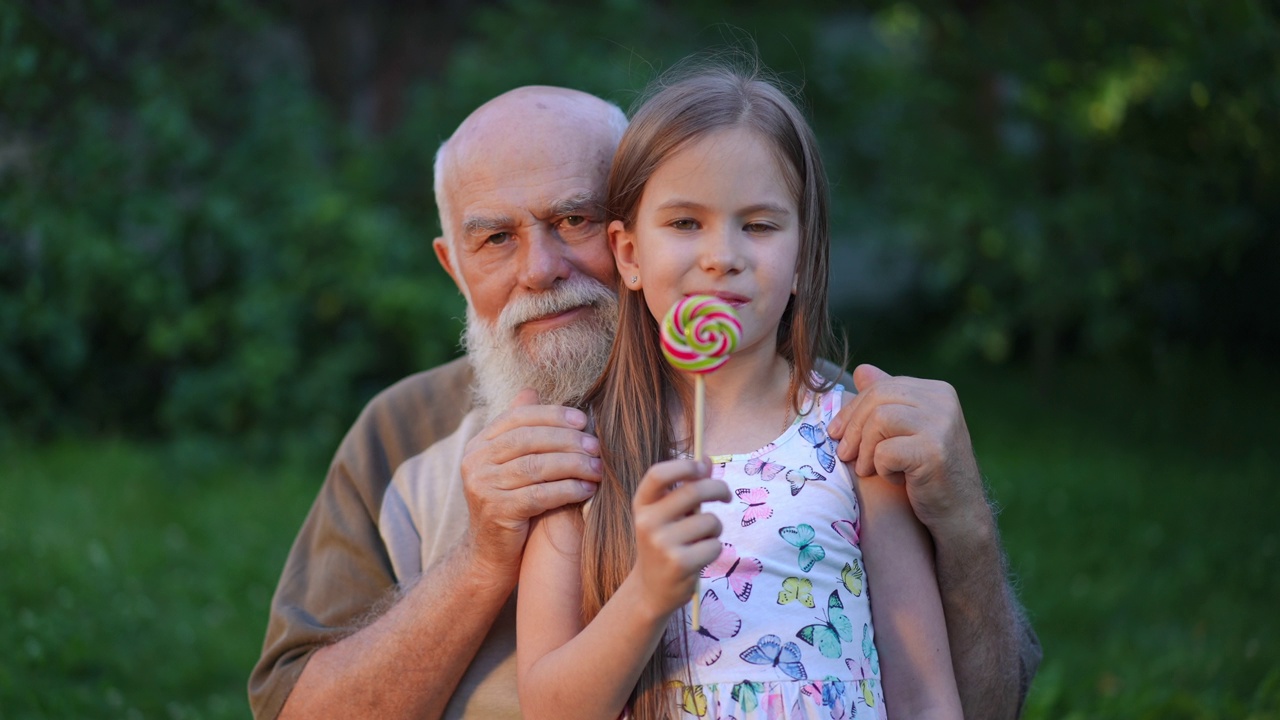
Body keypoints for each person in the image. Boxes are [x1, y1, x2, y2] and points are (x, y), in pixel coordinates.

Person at [249, 85, 1041, 719]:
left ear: (627, 228)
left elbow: (971, 701)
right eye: (496, 238)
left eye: (575, 218)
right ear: (452, 265)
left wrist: (964, 519)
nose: (542, 269)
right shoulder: (401, 434)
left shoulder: (841, 426)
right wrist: (482, 559)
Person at [515, 65, 962, 719]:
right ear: (630, 254)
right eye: (686, 224)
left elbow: (925, 696)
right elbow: (550, 710)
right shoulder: (585, 455)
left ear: (802, 256)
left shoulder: (850, 440)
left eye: (758, 225)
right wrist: (648, 592)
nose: (723, 255)